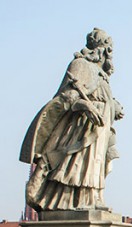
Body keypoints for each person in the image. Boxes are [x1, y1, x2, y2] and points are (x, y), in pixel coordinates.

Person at [21, 28, 124, 211]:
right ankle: (71, 201)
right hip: (80, 129)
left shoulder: (102, 75)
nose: (110, 57)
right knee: (76, 165)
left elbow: (102, 97)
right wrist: (85, 106)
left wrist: (113, 107)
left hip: (100, 129)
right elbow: (66, 97)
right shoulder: (80, 65)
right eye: (109, 51)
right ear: (101, 50)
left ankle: (93, 198)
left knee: (95, 165)